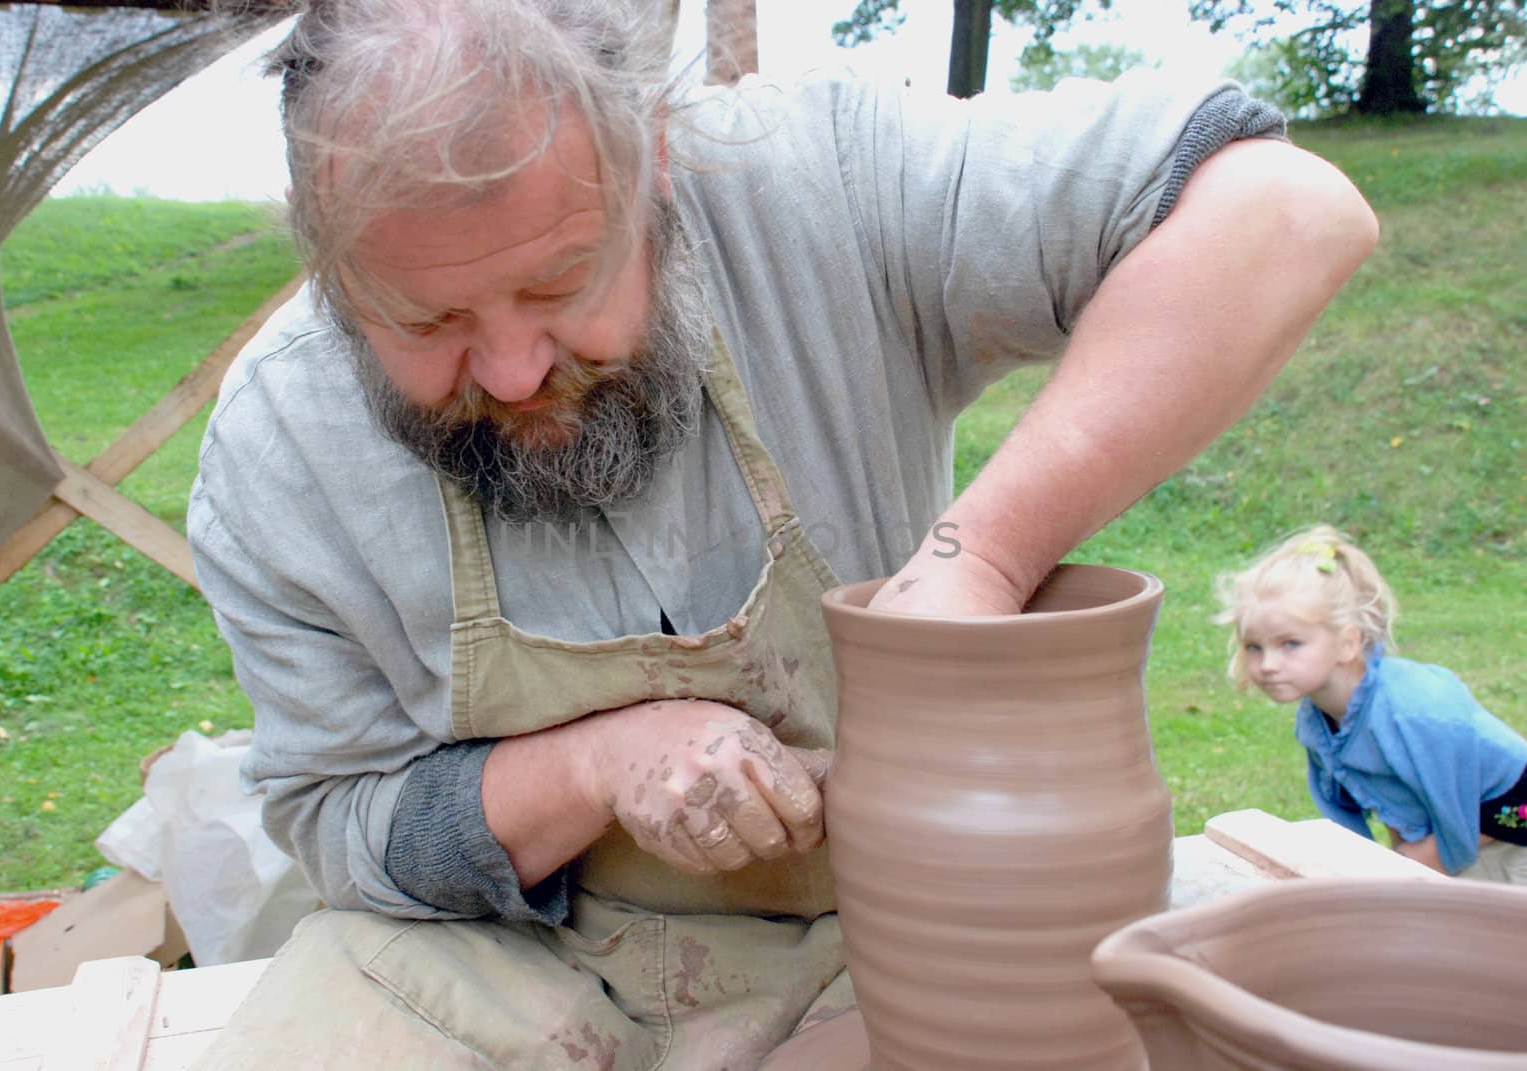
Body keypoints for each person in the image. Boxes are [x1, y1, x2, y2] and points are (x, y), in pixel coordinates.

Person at [186, 0, 1378, 1065]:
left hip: (915, 913)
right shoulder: (276, 453)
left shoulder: (821, 183)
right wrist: (604, 763)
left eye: (561, 286)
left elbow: (1287, 211)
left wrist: (986, 561)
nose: (509, 367)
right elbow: (341, 826)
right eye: (426, 316)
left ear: (651, 158)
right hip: (527, 961)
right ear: (324, 246)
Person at [1214, 524, 1527, 885]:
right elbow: (1348, 801)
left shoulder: (1412, 711)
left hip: (1507, 827)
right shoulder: (1318, 722)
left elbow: (1454, 789)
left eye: (1291, 644)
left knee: (1501, 934)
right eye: (1254, 646)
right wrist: (1357, 865)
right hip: (1451, 834)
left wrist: (1435, 854)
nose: (1268, 664)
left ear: (1348, 642)